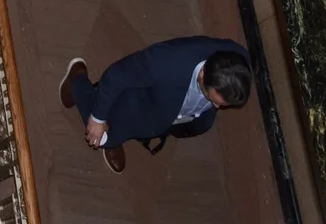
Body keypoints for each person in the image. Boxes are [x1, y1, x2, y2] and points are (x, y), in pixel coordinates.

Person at [59, 36, 251, 174]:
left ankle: (120, 131)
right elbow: (117, 75)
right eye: (213, 101)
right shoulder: (165, 62)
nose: (216, 108)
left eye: (221, 105)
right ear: (202, 74)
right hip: (138, 103)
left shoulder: (238, 60)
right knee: (102, 137)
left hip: (164, 112)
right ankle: (77, 81)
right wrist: (98, 117)